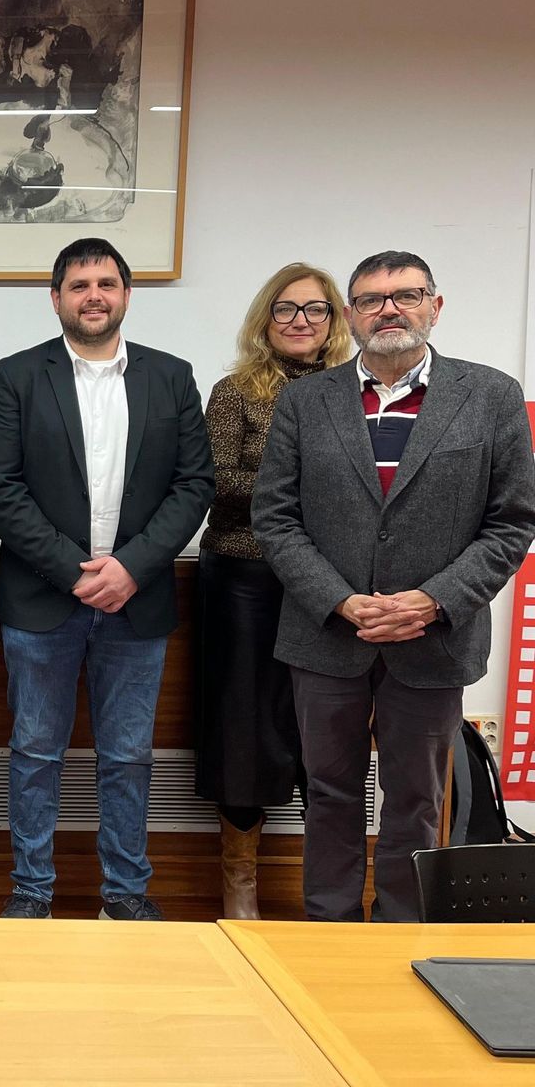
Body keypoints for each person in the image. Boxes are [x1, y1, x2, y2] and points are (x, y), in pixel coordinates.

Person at [253, 250, 535, 922]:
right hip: (326, 635)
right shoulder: (305, 401)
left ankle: (400, 935)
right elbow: (275, 517)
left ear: (435, 307)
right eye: (373, 299)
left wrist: (434, 600)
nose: (389, 309)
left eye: (406, 295)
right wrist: (341, 601)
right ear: (350, 316)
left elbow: (512, 521)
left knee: (416, 799)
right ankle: (330, 929)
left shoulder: (490, 395)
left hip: (433, 638)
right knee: (329, 792)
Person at [0, 238, 214, 920]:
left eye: (106, 283)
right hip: (42, 601)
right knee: (34, 753)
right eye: (78, 285)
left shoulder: (171, 377)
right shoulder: (16, 376)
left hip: (137, 604)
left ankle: (126, 896)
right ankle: (30, 895)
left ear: (127, 295)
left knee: (129, 758)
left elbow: (193, 484)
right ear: (56, 299)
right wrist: (74, 573)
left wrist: (131, 569)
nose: (94, 296)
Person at [195, 263, 353, 919]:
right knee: (244, 730)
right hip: (246, 578)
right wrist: (301, 487)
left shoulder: (355, 395)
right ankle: (240, 885)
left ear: (333, 321)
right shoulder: (236, 391)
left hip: (333, 585)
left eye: (314, 311)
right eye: (285, 310)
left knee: (328, 730)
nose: (299, 322)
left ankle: (333, 893)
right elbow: (215, 479)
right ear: (266, 320)